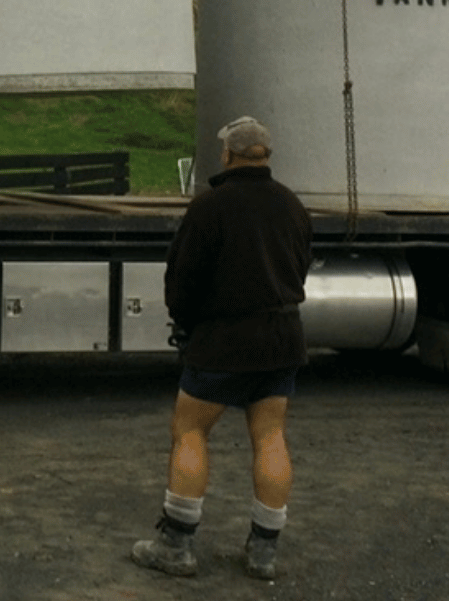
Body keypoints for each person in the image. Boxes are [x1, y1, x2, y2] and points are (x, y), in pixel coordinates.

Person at [130, 115, 313, 580]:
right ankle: (264, 552)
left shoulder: (209, 207)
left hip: (223, 340)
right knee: (270, 435)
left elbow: (183, 280)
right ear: (266, 155)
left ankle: (176, 544)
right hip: (281, 337)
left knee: (190, 431)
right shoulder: (292, 205)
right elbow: (301, 266)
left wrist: (185, 325)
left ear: (228, 156)